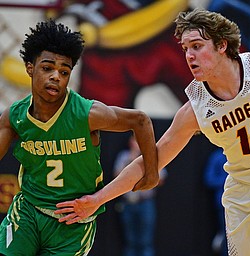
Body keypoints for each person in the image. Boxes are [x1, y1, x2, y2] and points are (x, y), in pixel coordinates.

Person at [54, 8, 250, 256]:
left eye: (197, 46)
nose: (189, 56)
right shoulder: (194, 110)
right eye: (185, 49)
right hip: (244, 198)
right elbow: (151, 161)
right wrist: (98, 199)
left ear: (221, 45)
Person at [0, 19, 158, 255]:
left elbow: (141, 120)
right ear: (30, 68)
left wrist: (152, 172)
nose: (56, 76)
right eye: (47, 68)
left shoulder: (88, 114)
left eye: (64, 72)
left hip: (73, 221)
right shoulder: (15, 117)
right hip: (28, 212)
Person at [113, 135, 167, 256]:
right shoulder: (124, 156)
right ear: (130, 142)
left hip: (145, 203)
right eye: (134, 141)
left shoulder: (151, 157)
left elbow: (162, 178)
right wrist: (132, 158)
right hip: (127, 204)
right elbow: (116, 176)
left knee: (145, 241)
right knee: (130, 241)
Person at [203, 147, 228, 256]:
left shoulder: (243, 155)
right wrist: (228, 182)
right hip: (223, 203)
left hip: (246, 202)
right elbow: (209, 179)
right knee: (226, 235)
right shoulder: (217, 156)